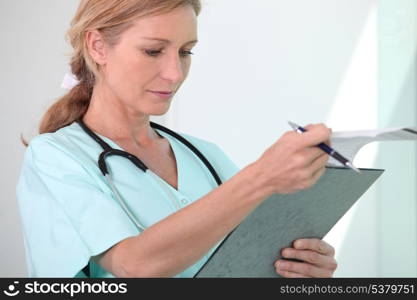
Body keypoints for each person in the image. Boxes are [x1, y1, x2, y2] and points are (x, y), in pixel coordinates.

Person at [17, 0, 337, 278]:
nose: (175, 73)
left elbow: (248, 259)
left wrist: (297, 267)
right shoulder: (56, 157)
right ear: (98, 46)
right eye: (153, 51)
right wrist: (261, 177)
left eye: (185, 52)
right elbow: (134, 267)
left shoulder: (204, 155)